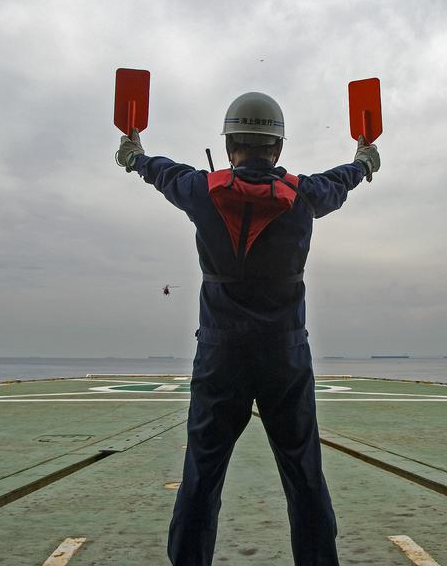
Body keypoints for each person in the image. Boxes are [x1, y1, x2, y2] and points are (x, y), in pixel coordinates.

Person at [115, 91, 380, 566]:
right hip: (285, 356)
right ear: (276, 148)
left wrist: (134, 153)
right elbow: (341, 181)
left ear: (231, 142)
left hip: (220, 356)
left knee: (201, 476)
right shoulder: (303, 196)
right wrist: (363, 159)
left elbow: (162, 171)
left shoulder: (202, 191)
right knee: (305, 478)